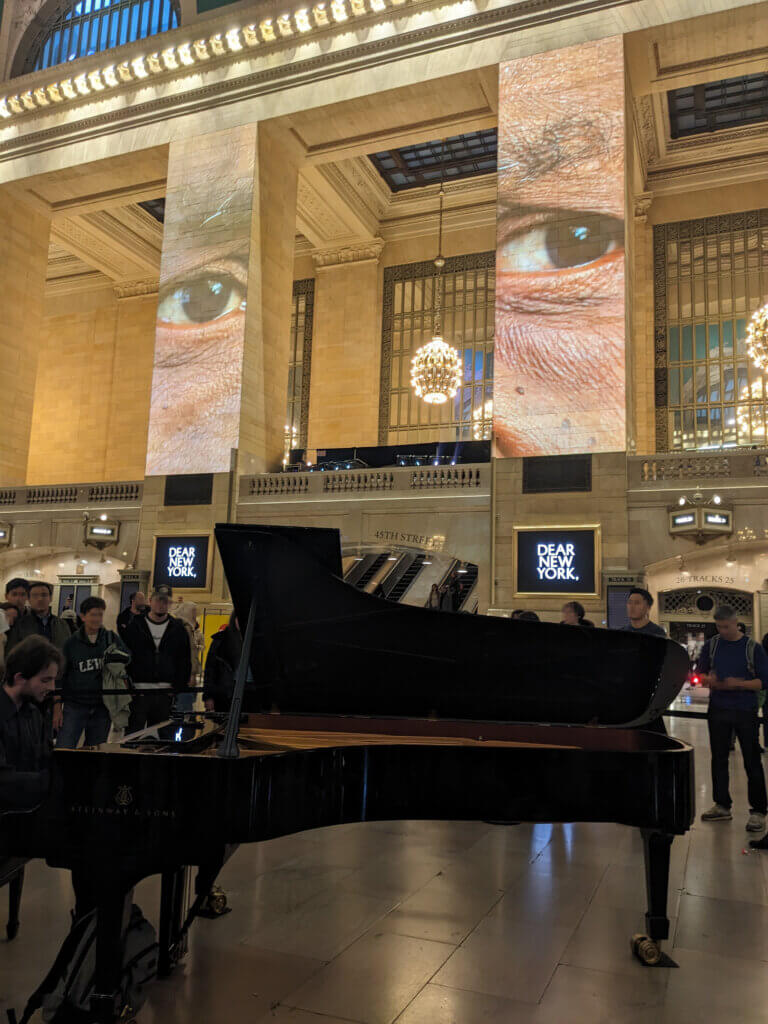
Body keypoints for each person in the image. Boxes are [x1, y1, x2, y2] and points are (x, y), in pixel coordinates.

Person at [697, 605, 768, 833]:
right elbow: (700, 674)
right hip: (718, 708)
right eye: (718, 626)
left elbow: (763, 682)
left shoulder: (752, 648)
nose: (723, 631)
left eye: (726, 626)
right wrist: (709, 679)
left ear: (736, 622)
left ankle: (758, 810)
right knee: (718, 758)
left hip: (745, 710)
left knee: (751, 759)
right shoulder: (712, 645)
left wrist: (739, 684)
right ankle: (722, 804)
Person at [54, 596, 131, 749]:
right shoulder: (71, 643)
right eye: (93, 614)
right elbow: (60, 676)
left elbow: (127, 658)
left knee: (96, 752)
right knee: (65, 748)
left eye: (100, 614)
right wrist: (57, 708)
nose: (97, 619)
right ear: (83, 616)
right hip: (75, 705)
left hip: (102, 706)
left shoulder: (110, 638)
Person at [0, 636, 62, 811]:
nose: (52, 687)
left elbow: (44, 759)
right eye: (45, 680)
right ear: (20, 678)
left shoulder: (34, 714)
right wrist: (49, 781)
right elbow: (3, 780)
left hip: (27, 813)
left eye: (53, 679)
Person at [124, 585, 191, 731]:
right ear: (150, 601)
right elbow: (126, 655)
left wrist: (177, 687)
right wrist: (128, 684)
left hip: (165, 694)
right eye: (159, 600)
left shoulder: (178, 629)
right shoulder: (135, 626)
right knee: (133, 737)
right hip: (139, 692)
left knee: (160, 738)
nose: (162, 605)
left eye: (166, 601)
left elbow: (184, 660)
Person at [203, 612, 256, 713]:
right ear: (233, 620)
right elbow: (210, 671)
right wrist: (208, 696)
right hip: (226, 693)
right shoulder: (220, 641)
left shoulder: (260, 641)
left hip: (252, 693)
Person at [6, 581, 71, 654]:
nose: (40, 599)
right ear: (29, 599)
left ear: (50, 598)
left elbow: (68, 650)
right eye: (35, 595)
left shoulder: (62, 624)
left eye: (44, 595)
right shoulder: (19, 624)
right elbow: (11, 653)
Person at [174, 601, 203, 714]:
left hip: (183, 674)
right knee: (185, 708)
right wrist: (191, 673)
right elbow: (189, 653)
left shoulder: (182, 628)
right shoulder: (185, 629)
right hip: (185, 676)